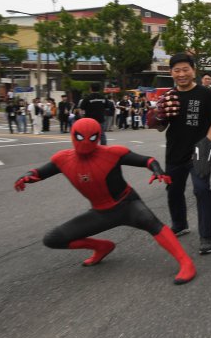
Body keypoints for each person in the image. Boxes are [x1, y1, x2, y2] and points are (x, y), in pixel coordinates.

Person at [13, 117, 196, 285]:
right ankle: (102, 247)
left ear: (98, 137)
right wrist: (27, 176)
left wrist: (158, 171)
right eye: (80, 137)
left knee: (153, 223)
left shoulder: (113, 153)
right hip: (101, 212)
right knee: (52, 239)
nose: (85, 142)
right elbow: (40, 172)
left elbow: (147, 160)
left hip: (128, 205)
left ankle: (186, 262)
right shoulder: (62, 159)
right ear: (72, 135)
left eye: (91, 138)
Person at [148, 53, 211, 255]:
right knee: (173, 191)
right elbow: (160, 127)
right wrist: (157, 117)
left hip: (199, 151)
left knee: (201, 190)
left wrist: (208, 141)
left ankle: (206, 236)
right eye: (176, 70)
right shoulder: (168, 97)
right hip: (175, 152)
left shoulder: (206, 94)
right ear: (171, 73)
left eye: (185, 69)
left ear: (193, 71)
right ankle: (180, 224)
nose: (181, 74)